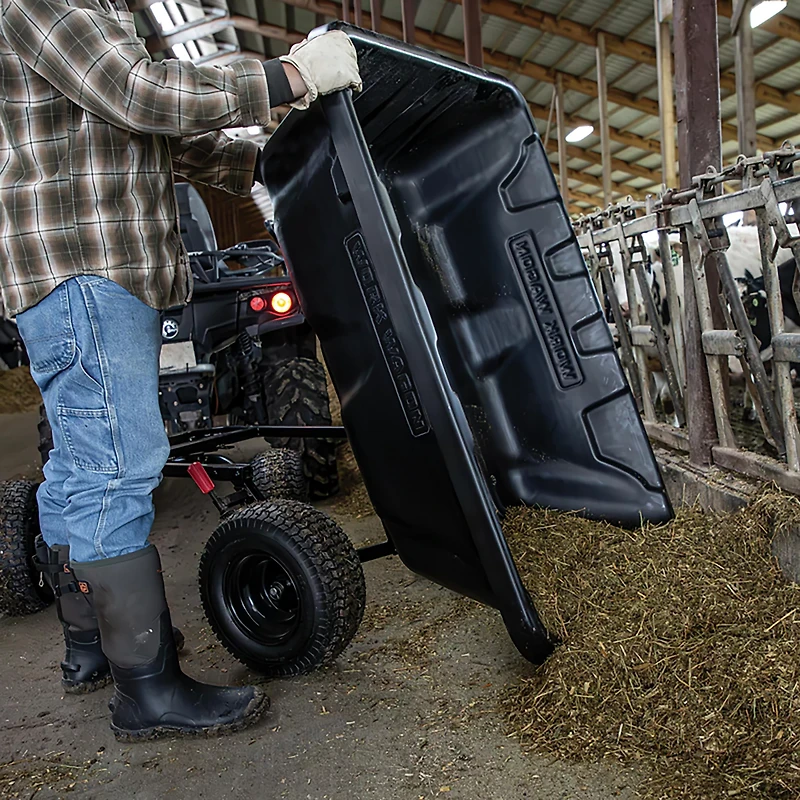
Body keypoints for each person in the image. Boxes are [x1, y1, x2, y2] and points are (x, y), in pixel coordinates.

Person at [0, 0, 360, 741]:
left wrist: (262, 164)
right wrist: (285, 76)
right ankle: (147, 690)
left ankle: (90, 649)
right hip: (85, 271)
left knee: (78, 470)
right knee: (115, 470)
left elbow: (156, 137)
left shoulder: (95, 13)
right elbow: (141, 93)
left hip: (93, 274)